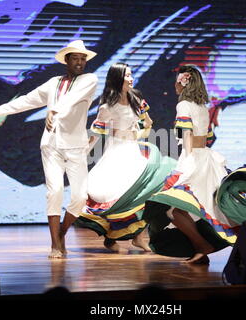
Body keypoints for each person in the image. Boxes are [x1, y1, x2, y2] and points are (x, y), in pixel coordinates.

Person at [0, 40, 98, 258]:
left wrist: (54, 111)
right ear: (67, 61)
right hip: (51, 145)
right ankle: (54, 244)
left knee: (79, 197)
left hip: (76, 147)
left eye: (83, 59)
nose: (80, 62)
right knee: (55, 191)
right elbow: (25, 101)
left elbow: (73, 98)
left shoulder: (90, 79)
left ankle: (61, 232)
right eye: (75, 58)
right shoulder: (53, 83)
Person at [143, 65, 246, 264]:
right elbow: (206, 136)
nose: (174, 83)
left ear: (184, 82)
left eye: (177, 79)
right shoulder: (202, 106)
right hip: (206, 157)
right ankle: (203, 247)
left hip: (194, 159)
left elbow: (187, 135)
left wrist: (187, 161)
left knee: (174, 210)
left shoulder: (183, 105)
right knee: (198, 208)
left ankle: (201, 245)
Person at [75, 63, 176, 252]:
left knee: (144, 192)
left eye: (131, 75)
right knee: (117, 196)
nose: (131, 79)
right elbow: (95, 135)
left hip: (133, 151)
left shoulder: (136, 98)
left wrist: (141, 129)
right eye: (127, 76)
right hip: (116, 154)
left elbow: (148, 122)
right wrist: (82, 155)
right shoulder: (107, 107)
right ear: (117, 79)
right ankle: (111, 238)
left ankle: (138, 237)